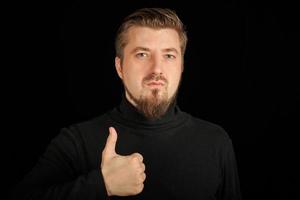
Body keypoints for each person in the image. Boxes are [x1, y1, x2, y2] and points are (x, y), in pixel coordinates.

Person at [12, 8, 242, 200]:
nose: (157, 70)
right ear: (119, 67)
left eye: (169, 55)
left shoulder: (215, 141)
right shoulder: (77, 141)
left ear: (182, 66)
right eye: (142, 54)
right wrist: (102, 185)